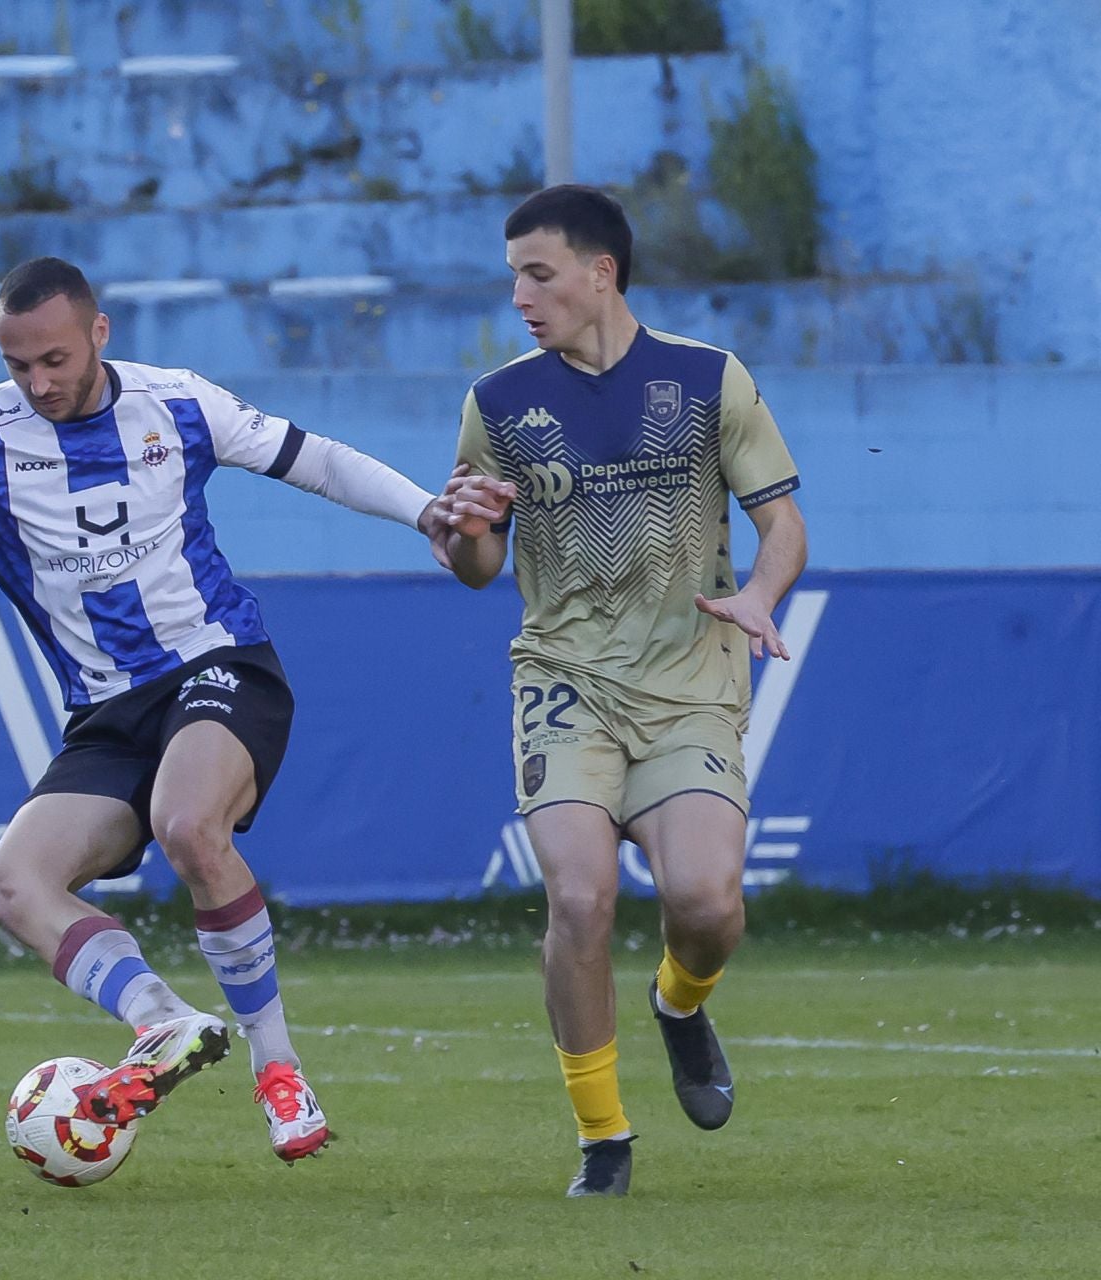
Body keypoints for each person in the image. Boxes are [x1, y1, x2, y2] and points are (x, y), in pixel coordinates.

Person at [0, 256, 443, 1162]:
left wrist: (426, 510)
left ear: (98, 333)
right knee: (11, 880)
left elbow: (313, 461)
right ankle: (163, 1022)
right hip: (107, 715)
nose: (38, 383)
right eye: (18, 366)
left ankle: (278, 1068)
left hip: (217, 664)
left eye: (54, 359)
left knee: (190, 823)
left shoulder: (178, 403)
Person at [431, 186, 808, 1197]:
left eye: (538, 272)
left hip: (689, 683)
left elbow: (781, 524)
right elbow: (476, 564)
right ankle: (603, 1136)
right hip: (564, 682)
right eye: (512, 274)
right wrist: (463, 529)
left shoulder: (705, 378)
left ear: (601, 273)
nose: (519, 293)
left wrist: (763, 595)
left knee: (705, 902)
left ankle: (680, 1003)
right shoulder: (500, 402)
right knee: (581, 893)